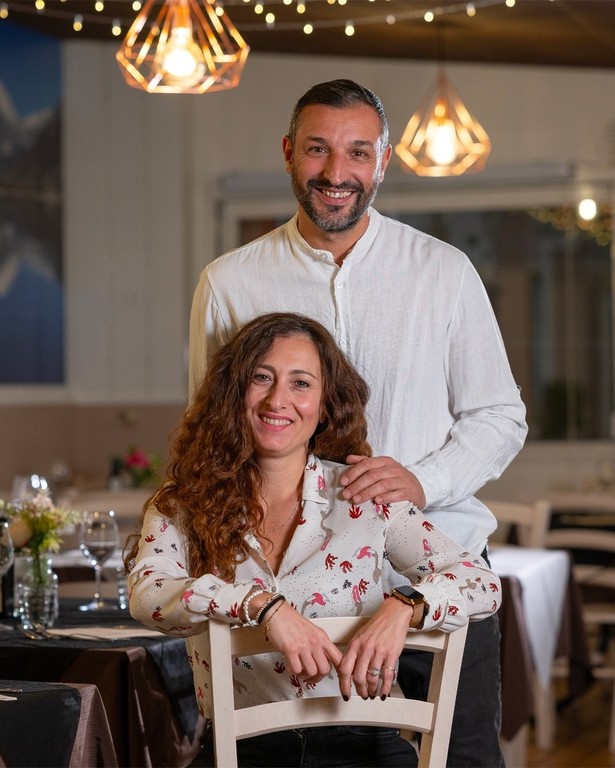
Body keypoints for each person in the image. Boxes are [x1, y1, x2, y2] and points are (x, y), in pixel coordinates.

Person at [188, 79, 527, 766]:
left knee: (461, 759)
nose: (336, 172)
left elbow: (499, 415)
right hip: (295, 593)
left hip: (441, 570)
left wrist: (421, 481)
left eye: (357, 152)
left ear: (383, 161)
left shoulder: (444, 271)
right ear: (289, 152)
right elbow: (215, 430)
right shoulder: (229, 281)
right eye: (318, 149)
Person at [126, 312, 502, 768]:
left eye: (301, 383)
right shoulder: (183, 503)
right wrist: (260, 606)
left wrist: (404, 606)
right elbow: (147, 594)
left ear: (325, 405)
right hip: (241, 753)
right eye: (261, 378)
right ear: (233, 393)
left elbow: (482, 583)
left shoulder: (365, 496)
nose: (277, 399)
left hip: (365, 750)